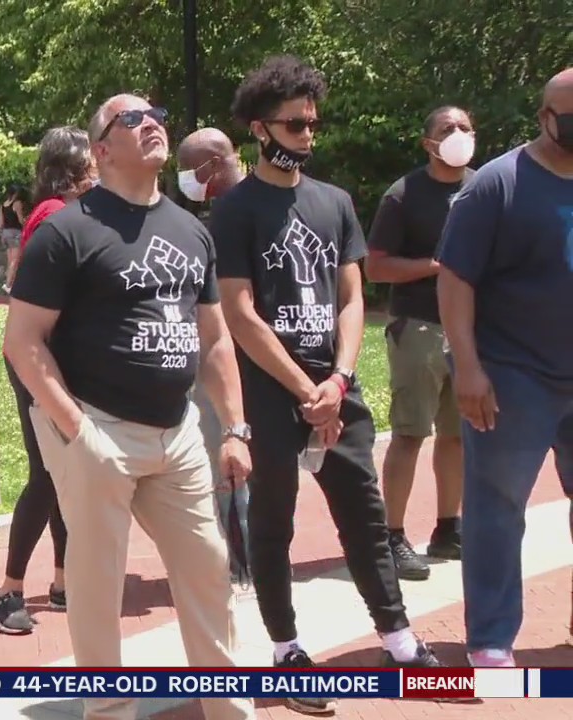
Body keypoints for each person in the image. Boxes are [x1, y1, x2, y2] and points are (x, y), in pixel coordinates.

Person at [5, 93, 255, 720]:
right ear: (102, 148)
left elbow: (214, 338)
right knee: (96, 588)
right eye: (132, 119)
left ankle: (229, 710)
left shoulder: (191, 230)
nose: (152, 125)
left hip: (178, 433)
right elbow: (22, 341)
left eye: (157, 116)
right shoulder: (67, 231)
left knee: (209, 571)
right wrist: (77, 430)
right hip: (97, 428)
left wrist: (234, 428)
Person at [210, 55, 441, 715]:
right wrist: (301, 389)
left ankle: (398, 639)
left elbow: (352, 297)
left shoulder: (334, 202)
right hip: (269, 388)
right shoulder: (234, 211)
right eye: (294, 125)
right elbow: (239, 312)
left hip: (335, 386)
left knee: (364, 513)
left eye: (312, 123)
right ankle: (286, 650)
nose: (307, 136)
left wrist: (337, 380)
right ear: (260, 129)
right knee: (273, 519)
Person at [436, 67, 573, 669]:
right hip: (514, 376)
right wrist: (467, 366)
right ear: (545, 117)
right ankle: (491, 638)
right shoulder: (497, 184)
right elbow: (454, 278)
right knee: (497, 508)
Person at [0, 126, 96, 635]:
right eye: (90, 161)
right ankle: (7, 590)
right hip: (38, 360)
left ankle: (62, 581)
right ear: (70, 170)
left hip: (53, 358)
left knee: (60, 470)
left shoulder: (57, 213)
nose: (98, 168)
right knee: (46, 473)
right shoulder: (55, 215)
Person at [365, 105, 476, 581]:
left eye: (465, 127)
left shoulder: (484, 188)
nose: (458, 134)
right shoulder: (403, 195)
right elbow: (376, 267)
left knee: (458, 434)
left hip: (471, 330)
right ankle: (392, 536)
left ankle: (449, 529)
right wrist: (435, 266)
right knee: (410, 433)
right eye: (448, 128)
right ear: (428, 143)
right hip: (419, 327)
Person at [177, 127, 251, 582]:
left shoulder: (226, 219)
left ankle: (241, 563)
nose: (185, 179)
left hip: (228, 357)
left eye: (189, 170)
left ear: (213, 165)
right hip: (245, 354)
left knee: (228, 463)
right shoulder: (256, 205)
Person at [0, 185, 28, 291]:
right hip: (15, 232)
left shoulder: (3, 205)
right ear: (15, 193)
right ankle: (8, 285)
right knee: (15, 260)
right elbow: (20, 220)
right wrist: (27, 222)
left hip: (5, 233)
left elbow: (1, 223)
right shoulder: (17, 203)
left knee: (9, 260)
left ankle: (11, 283)